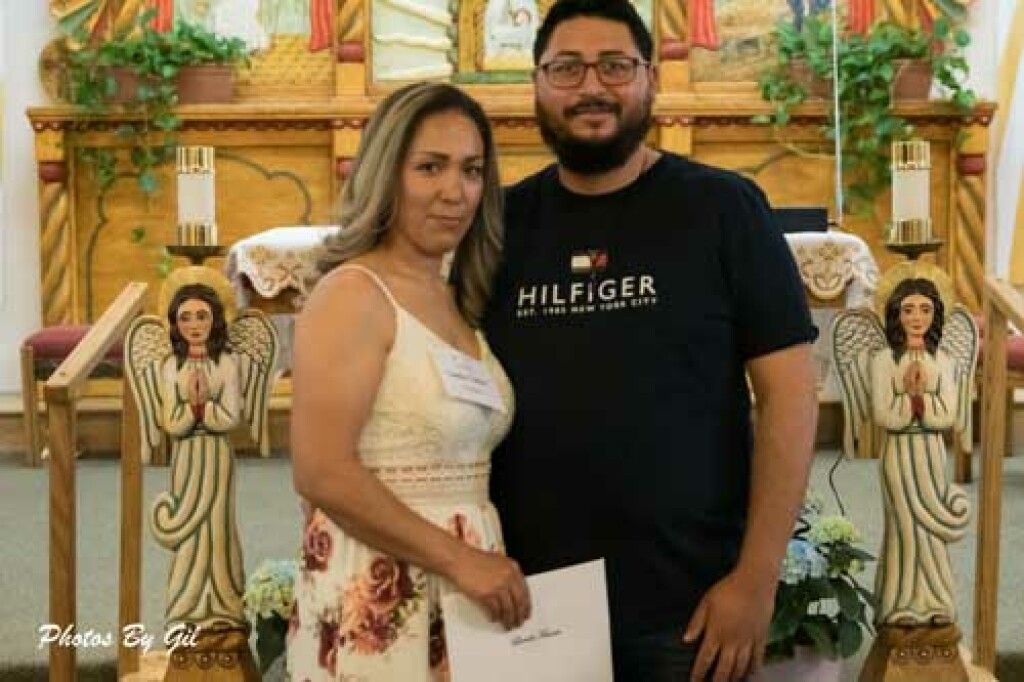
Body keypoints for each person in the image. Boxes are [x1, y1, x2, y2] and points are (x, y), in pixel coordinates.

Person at [481, 1, 819, 680]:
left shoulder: (724, 209)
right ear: (537, 86)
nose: (591, 87)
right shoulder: (500, 225)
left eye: (615, 66)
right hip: (528, 602)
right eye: (567, 68)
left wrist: (756, 578)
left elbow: (790, 397)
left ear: (652, 80)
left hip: (687, 601)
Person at [288, 82, 530, 681]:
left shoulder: (458, 298)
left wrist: (475, 564)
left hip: (468, 588)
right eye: (430, 167)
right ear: (385, 175)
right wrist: (461, 560)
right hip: (381, 584)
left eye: (472, 170)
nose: (456, 192)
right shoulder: (353, 294)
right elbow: (321, 471)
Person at [871, 277, 969, 626]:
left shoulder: (943, 361)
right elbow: (882, 413)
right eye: (908, 309)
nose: (916, 317)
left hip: (930, 453)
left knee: (929, 533)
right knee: (903, 526)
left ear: (936, 314)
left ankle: (937, 601)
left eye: (925, 309)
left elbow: (949, 414)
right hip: (897, 453)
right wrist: (912, 399)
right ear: (895, 313)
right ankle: (899, 604)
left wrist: (918, 399)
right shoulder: (883, 360)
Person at [151, 283, 246, 629]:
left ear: (216, 320)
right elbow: (171, 424)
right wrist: (194, 407)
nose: (194, 325)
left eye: (202, 316)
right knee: (190, 531)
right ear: (175, 325)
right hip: (187, 456)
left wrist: (204, 406)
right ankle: (184, 605)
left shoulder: (227, 364)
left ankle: (224, 604)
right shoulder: (169, 368)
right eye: (185, 317)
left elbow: (231, 417)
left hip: (218, 455)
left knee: (218, 525)